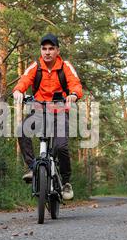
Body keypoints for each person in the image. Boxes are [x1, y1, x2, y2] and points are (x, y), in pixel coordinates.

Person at [12, 33, 83, 200]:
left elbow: (75, 84)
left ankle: (65, 182)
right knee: (22, 130)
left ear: (57, 50)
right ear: (41, 50)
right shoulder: (35, 66)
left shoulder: (65, 66)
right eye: (44, 49)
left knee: (61, 147)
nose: (47, 52)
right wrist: (17, 91)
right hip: (38, 110)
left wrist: (73, 94)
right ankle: (32, 167)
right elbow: (24, 80)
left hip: (59, 112)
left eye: (51, 48)